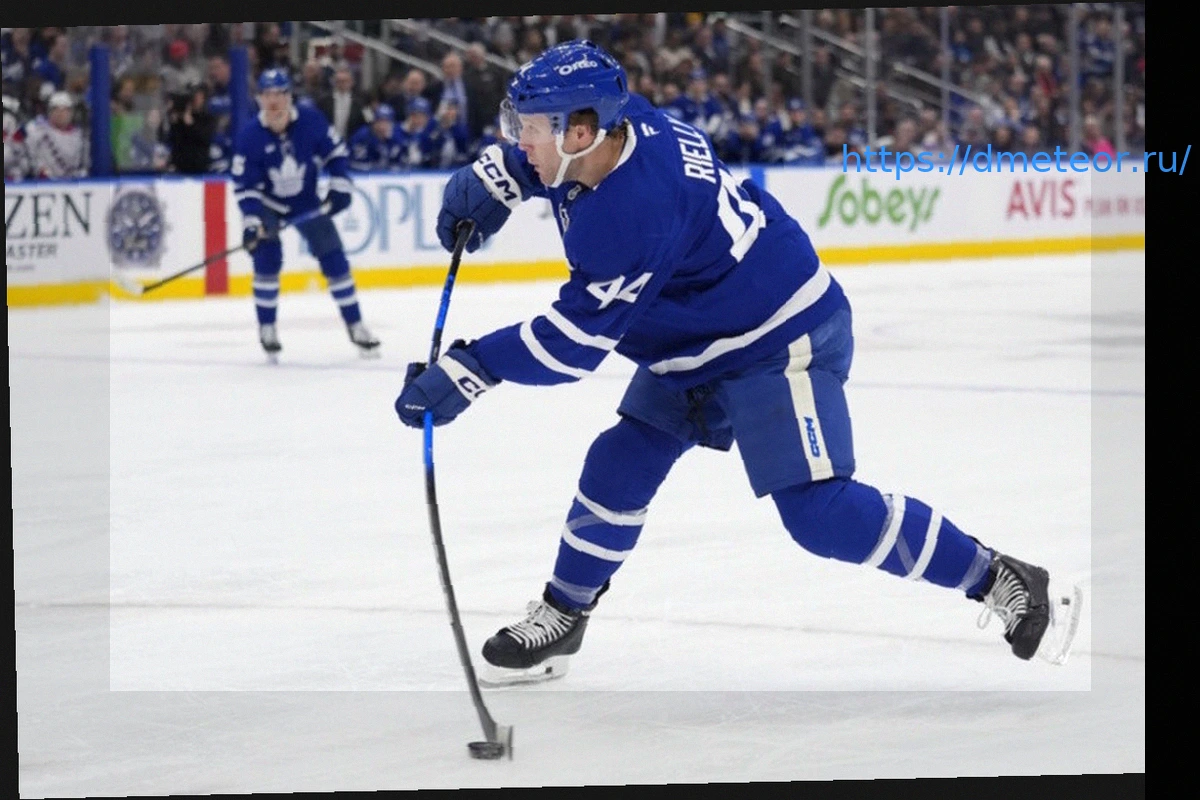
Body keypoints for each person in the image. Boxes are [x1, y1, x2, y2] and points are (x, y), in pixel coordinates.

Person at [393, 41, 1081, 685]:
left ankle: (999, 576)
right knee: (618, 462)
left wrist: (469, 369)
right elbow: (545, 164)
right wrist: (498, 176)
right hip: (696, 335)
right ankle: (565, 615)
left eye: (530, 130)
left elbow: (570, 343)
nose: (519, 140)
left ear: (581, 133)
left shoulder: (632, 214)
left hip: (778, 334)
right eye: (516, 126)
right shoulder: (615, 128)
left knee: (818, 512)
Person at [231, 68, 380, 359]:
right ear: (259, 99)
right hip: (268, 204)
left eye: (279, 94)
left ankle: (356, 325)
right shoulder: (249, 136)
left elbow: (336, 154)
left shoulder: (311, 121)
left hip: (306, 202)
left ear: (289, 97)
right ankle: (267, 328)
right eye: (267, 95)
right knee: (267, 257)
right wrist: (252, 222)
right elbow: (246, 187)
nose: (273, 101)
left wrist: (339, 186)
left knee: (334, 258)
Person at [347, 102, 406, 172]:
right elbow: (355, 164)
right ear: (374, 122)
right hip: (362, 174)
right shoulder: (362, 136)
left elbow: (399, 164)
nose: (382, 126)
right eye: (380, 121)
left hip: (385, 175)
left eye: (386, 121)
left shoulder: (396, 137)